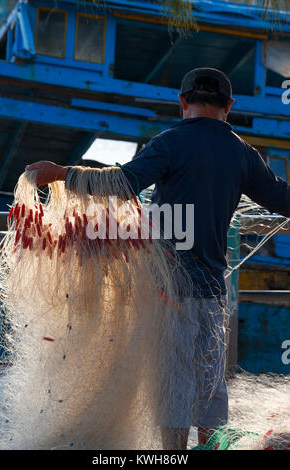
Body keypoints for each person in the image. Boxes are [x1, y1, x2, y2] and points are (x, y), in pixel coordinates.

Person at [26, 67, 290, 450]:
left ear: (182, 102)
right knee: (211, 386)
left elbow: (120, 183)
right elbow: (283, 198)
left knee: (174, 383)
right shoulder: (242, 154)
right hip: (215, 293)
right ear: (229, 107)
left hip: (170, 292)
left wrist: (62, 173)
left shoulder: (170, 143)